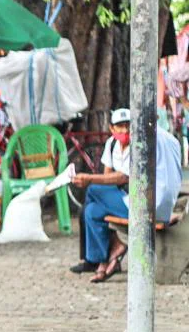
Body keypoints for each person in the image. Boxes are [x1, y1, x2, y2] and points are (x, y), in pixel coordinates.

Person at [71, 110, 183, 283]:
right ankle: (104, 256)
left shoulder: (143, 140)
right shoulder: (169, 139)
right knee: (92, 211)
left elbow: (125, 177)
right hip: (148, 200)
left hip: (145, 204)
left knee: (93, 191)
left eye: (128, 125)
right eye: (120, 126)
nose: (125, 130)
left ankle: (108, 253)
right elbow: (110, 177)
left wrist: (89, 178)